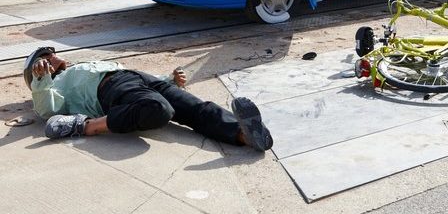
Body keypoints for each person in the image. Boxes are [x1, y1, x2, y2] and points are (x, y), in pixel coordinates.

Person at [24, 47, 273, 152]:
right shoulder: (54, 83)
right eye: (46, 58)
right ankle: (85, 125)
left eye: (52, 55)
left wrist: (169, 79)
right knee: (157, 109)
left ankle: (243, 134)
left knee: (195, 107)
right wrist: (41, 79)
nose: (53, 57)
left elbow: (134, 80)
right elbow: (47, 110)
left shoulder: (77, 66)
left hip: (137, 78)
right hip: (110, 88)